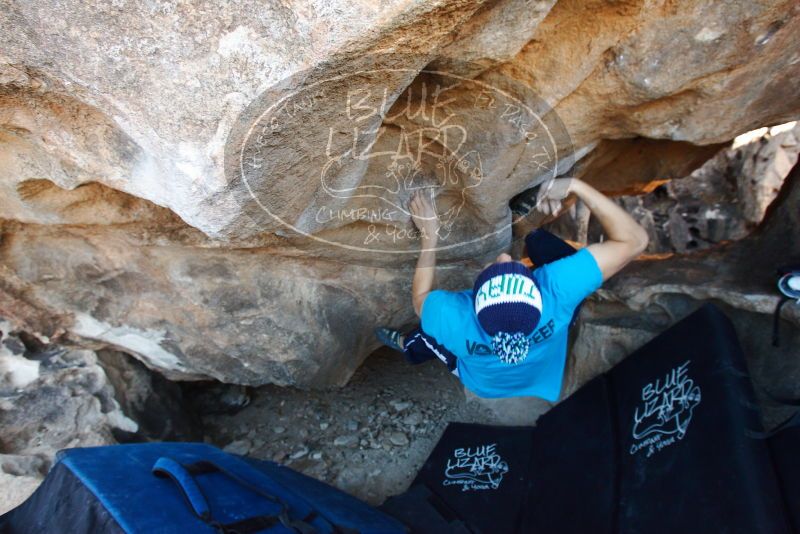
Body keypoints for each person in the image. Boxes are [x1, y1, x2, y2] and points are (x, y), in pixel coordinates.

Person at [375, 177, 649, 401]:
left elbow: (420, 300)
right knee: (542, 243)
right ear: (536, 290)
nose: (505, 257)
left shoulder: (454, 318)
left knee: (429, 336)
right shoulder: (556, 293)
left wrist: (430, 235)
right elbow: (635, 241)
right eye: (514, 266)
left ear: (471, 302)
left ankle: (407, 346)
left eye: (495, 268)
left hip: (484, 384)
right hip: (543, 374)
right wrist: (577, 185)